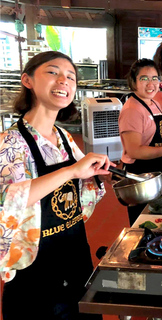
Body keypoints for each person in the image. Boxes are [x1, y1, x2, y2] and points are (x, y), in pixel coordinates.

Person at [0, 51, 112, 320]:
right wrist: (72, 170)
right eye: (53, 72)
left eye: (71, 77)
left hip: (75, 256)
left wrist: (94, 177)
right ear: (27, 80)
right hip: (36, 269)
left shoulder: (62, 136)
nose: (64, 80)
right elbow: (8, 199)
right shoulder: (11, 141)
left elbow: (77, 191)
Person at [118, 58, 162, 226]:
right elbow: (135, 151)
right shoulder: (132, 110)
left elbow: (155, 136)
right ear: (133, 82)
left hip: (157, 169)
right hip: (141, 174)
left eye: (154, 78)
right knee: (144, 224)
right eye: (144, 78)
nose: (151, 83)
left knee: (160, 220)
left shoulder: (154, 102)